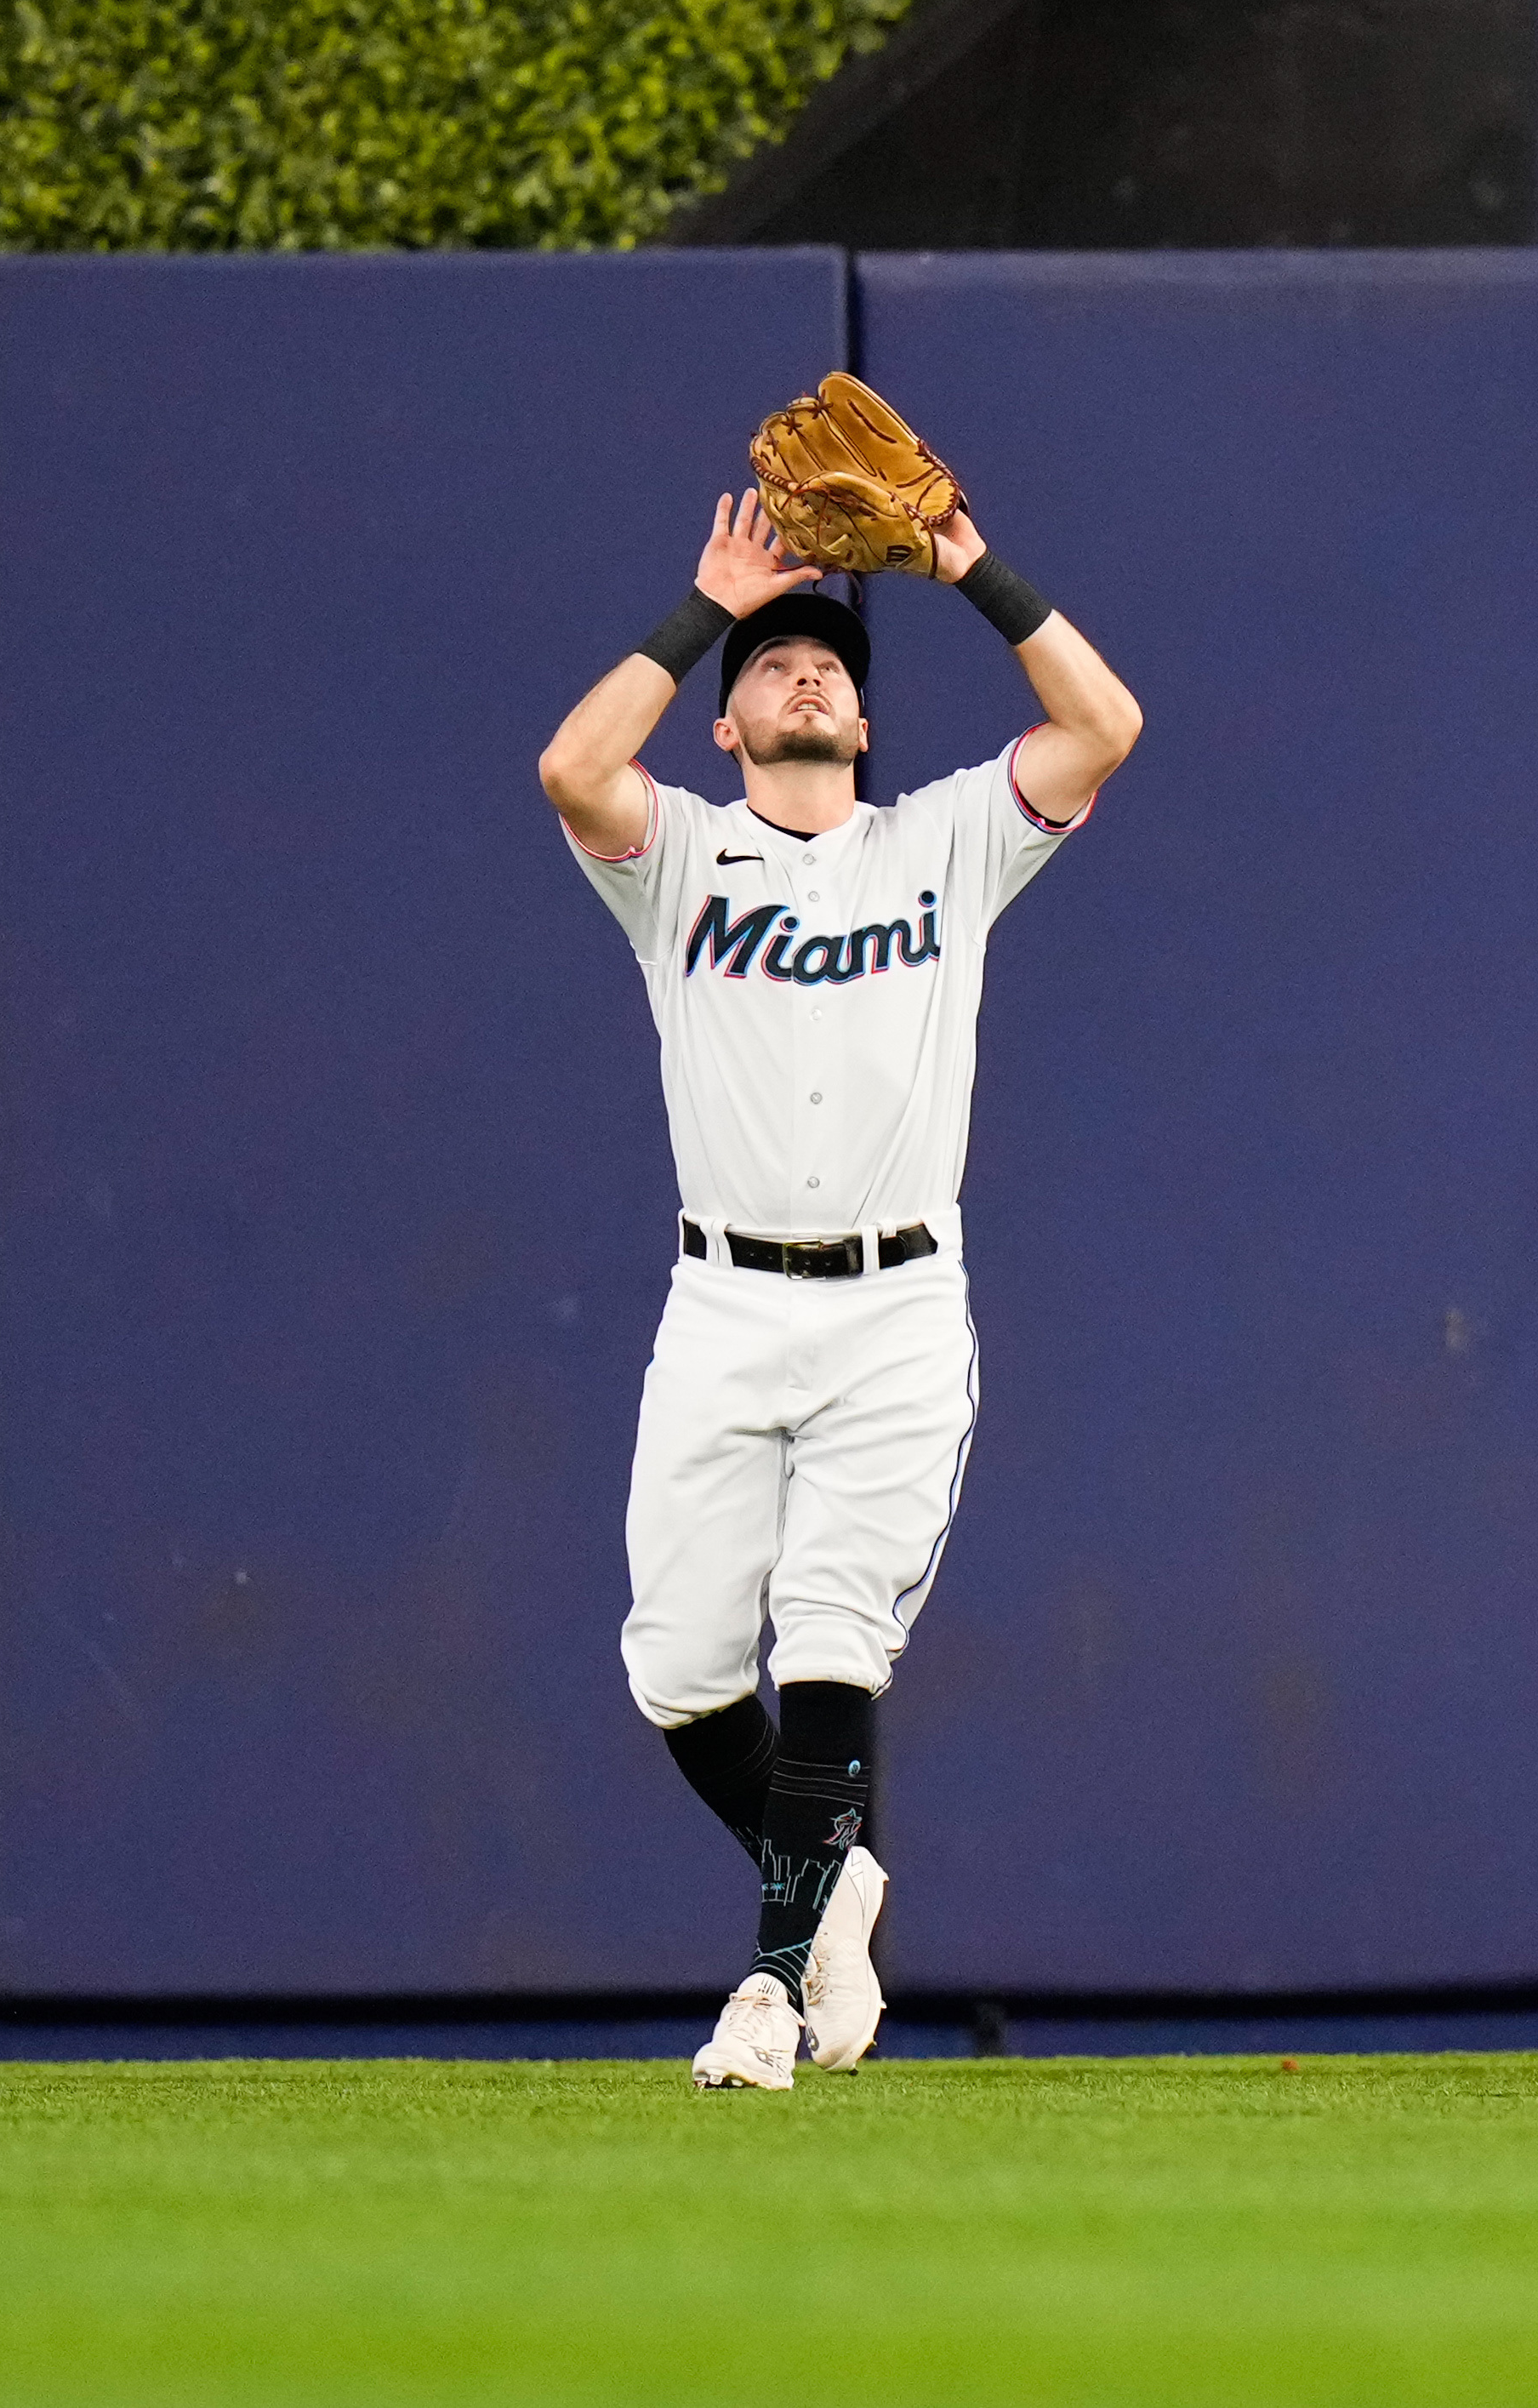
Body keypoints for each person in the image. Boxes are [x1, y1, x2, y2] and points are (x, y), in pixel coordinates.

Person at [534, 471, 1142, 2088]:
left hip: (889, 1311)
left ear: (863, 722)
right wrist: (709, 611)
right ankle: (838, 1878)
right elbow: (572, 766)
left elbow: (1104, 726)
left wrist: (966, 562)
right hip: (723, 1307)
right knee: (674, 1667)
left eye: (830, 664)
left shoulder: (943, 843)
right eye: (772, 670)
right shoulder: (676, 860)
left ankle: (765, 1986)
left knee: (826, 1639)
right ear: (726, 727)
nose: (806, 674)